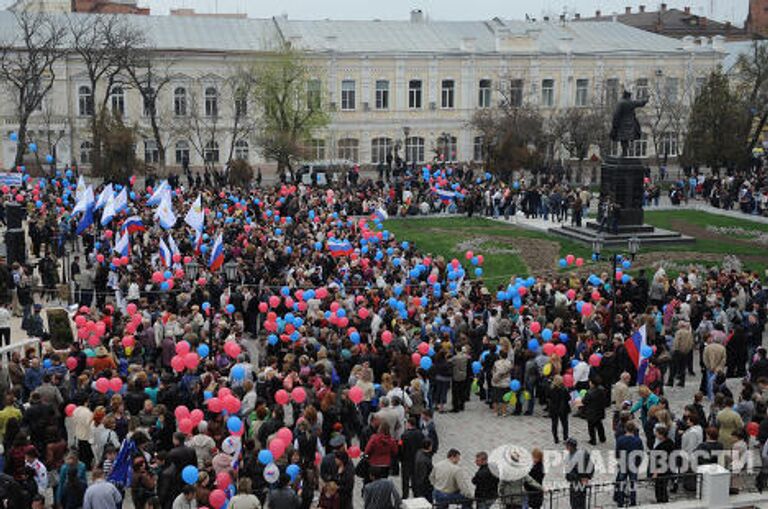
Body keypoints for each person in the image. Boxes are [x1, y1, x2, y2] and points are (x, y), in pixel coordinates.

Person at [614, 421, 643, 507]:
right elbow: (640, 454)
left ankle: (620, 501)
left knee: (621, 483)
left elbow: (617, 453)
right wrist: (637, 464)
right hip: (633, 464)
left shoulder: (620, 439)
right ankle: (633, 501)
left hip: (623, 463)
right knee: (633, 483)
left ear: (625, 429)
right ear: (634, 430)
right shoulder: (638, 440)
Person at [564, 438, 593, 509]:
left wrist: (570, 477)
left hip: (577, 483)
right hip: (579, 482)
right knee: (580, 501)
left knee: (576, 503)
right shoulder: (579, 454)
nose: (566, 447)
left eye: (567, 445)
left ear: (571, 446)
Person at [400, 416, 424, 498]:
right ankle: (416, 495)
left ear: (409, 424)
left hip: (406, 461)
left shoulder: (404, 435)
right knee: (415, 479)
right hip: (417, 460)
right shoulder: (420, 434)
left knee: (405, 480)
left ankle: (405, 496)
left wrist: (400, 458)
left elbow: (401, 449)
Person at [650, 426, 675, 503]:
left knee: (660, 488)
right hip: (669, 467)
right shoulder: (671, 442)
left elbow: (659, 462)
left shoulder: (661, 447)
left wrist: (655, 472)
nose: (655, 435)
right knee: (664, 487)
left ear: (661, 435)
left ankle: (661, 502)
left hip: (661, 470)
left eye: (657, 433)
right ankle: (664, 501)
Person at [581, 378, 608, 445]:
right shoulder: (602, 390)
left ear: (592, 384)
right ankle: (602, 438)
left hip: (591, 412)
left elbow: (584, 401)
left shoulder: (589, 392)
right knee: (599, 425)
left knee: (591, 427)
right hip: (600, 411)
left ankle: (593, 440)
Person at [547, 375, 570, 443]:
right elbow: (569, 398)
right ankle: (565, 438)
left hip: (554, 408)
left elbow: (548, 397)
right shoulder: (564, 389)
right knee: (565, 424)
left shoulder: (551, 388)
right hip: (563, 409)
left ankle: (556, 439)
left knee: (554, 424)